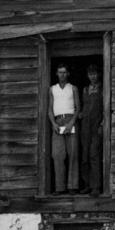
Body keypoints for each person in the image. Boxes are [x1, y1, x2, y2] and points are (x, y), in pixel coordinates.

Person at [48, 65, 81, 193]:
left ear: (68, 74)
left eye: (64, 72)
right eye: (60, 72)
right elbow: (50, 109)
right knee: (57, 154)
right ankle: (60, 187)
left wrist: (71, 122)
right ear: (56, 73)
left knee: (73, 154)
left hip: (70, 120)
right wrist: (53, 123)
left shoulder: (73, 88)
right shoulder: (52, 89)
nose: (62, 75)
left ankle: (72, 186)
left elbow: (78, 108)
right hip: (57, 121)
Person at [79, 63, 103, 196]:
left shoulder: (102, 89)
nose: (92, 77)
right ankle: (87, 185)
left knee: (94, 155)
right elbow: (84, 107)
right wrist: (81, 113)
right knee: (85, 157)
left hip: (96, 127)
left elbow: (106, 108)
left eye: (94, 74)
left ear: (98, 74)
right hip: (85, 128)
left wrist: (102, 125)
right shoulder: (85, 90)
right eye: (90, 74)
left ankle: (96, 187)